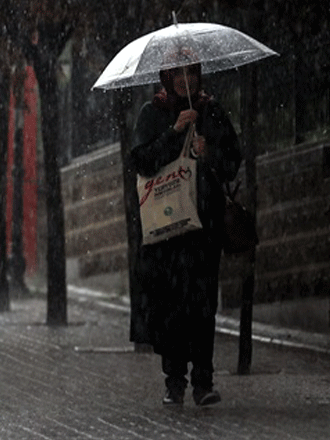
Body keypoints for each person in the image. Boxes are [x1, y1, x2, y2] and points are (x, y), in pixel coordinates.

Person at [129, 60, 241, 406]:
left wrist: (210, 154)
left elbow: (232, 161)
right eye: (177, 74)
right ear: (167, 77)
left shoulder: (210, 110)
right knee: (171, 306)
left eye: (190, 73)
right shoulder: (153, 112)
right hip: (166, 231)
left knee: (203, 305)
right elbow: (142, 161)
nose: (184, 80)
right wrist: (174, 133)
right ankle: (174, 379)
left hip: (202, 228)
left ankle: (203, 381)